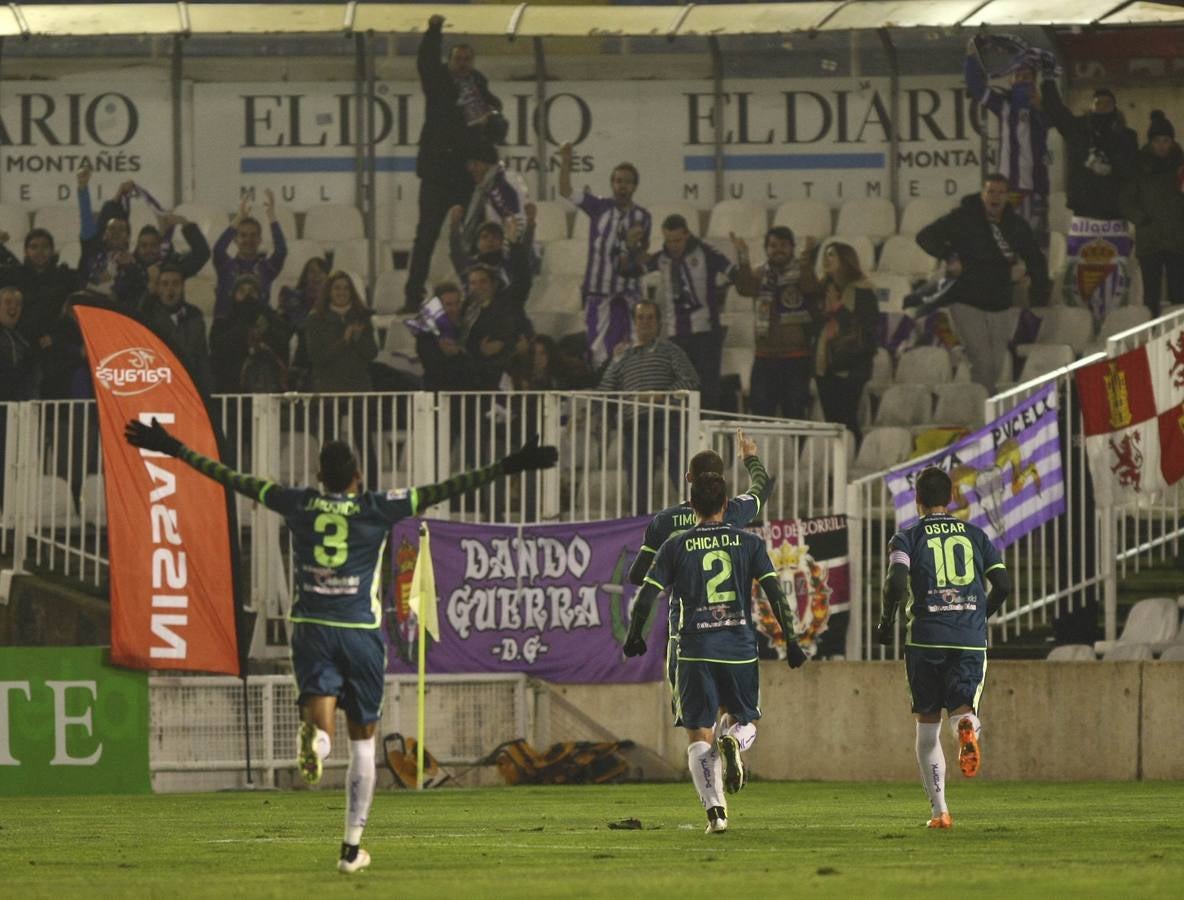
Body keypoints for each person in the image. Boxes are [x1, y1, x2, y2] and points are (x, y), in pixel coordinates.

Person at [123, 418, 557, 873]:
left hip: (312, 626)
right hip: (361, 630)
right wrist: (508, 465)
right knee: (365, 745)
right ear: (358, 476)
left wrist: (173, 445)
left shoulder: (297, 502)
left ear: (318, 476)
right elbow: (447, 487)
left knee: (321, 709)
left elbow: (231, 478)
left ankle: (319, 743)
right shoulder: (379, 506)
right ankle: (351, 850)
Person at [623, 470, 805, 834]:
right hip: (738, 647)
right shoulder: (749, 543)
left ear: (691, 506)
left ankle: (716, 813)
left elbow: (644, 594)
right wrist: (792, 640)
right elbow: (774, 594)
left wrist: (634, 635)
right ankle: (735, 740)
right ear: (725, 504)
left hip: (693, 650)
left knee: (697, 732)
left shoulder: (674, 545)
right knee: (745, 720)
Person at [874, 466, 1010, 829]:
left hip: (925, 639)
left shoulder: (907, 537)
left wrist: (887, 622)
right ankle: (966, 726)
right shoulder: (976, 536)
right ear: (951, 498)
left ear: (917, 499)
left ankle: (940, 811)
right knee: (963, 709)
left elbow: (895, 582)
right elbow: (1003, 585)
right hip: (967, 638)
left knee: (926, 730)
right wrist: (979, 615)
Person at [403, 14, 503, 313]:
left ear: (472, 62)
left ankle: (478, 296)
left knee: (472, 240)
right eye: (458, 58)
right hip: (436, 174)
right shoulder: (438, 82)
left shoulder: (479, 86)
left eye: (467, 59)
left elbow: (495, 127)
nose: (462, 63)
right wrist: (434, 31)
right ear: (450, 60)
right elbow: (425, 61)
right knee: (425, 239)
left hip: (466, 177)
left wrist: (494, 123)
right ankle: (411, 298)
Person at [915, 175, 1050, 393]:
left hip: (1000, 300)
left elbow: (1035, 257)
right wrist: (949, 256)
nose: (995, 197)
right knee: (982, 361)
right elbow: (925, 236)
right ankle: (985, 414)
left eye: (1000, 192)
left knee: (996, 363)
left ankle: (985, 407)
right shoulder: (963, 218)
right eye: (990, 192)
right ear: (982, 194)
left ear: (1007, 197)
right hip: (967, 299)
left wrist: (1037, 289)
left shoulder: (1015, 225)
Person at [598, 299, 699, 511]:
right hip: (633, 425)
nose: (645, 322)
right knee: (637, 480)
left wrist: (661, 397)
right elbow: (605, 390)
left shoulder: (670, 350)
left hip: (666, 420)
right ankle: (641, 527)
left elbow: (690, 379)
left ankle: (697, 515)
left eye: (650, 318)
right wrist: (614, 361)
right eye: (640, 318)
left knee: (680, 472)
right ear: (634, 322)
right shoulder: (623, 355)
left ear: (659, 322)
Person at [626, 215, 734, 410]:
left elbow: (732, 272)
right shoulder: (662, 258)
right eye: (668, 240)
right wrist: (632, 248)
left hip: (706, 332)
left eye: (677, 240)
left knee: (707, 387)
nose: (673, 245)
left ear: (687, 235)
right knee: (681, 389)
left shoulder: (705, 253)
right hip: (677, 334)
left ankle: (705, 432)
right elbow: (632, 270)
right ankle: (685, 434)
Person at [558, 141, 651, 367]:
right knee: (599, 354)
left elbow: (640, 257)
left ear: (635, 186)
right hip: (598, 293)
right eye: (618, 181)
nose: (622, 186)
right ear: (612, 184)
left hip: (628, 296)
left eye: (628, 182)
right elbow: (565, 191)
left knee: (632, 354)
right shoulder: (598, 206)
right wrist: (566, 162)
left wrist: (632, 247)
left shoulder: (642, 216)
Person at [964, 35, 1056, 242]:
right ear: (1010, 80)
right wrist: (971, 55)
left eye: (1027, 76)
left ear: (1035, 80)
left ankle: (1031, 274)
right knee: (1004, 240)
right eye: (1018, 75)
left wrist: (1039, 106)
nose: (1023, 79)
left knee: (1033, 241)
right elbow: (976, 87)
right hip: (1006, 188)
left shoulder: (1044, 109)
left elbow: (1053, 122)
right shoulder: (1003, 105)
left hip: (1035, 190)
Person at [732, 226, 820, 418]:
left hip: (796, 357)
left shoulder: (801, 270)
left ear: (792, 247)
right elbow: (744, 288)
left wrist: (806, 261)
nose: (778, 249)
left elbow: (810, 287)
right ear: (766, 249)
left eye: (783, 245)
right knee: (761, 415)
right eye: (773, 245)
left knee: (795, 415)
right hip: (765, 357)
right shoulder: (760, 273)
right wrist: (743, 257)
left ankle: (796, 449)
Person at [1121, 111, 1184, 316]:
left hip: (1177, 239)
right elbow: (1127, 200)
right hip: (1150, 241)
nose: (1162, 146)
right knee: (1151, 296)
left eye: (1166, 140)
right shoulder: (1138, 167)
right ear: (1150, 143)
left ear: (1173, 142)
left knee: (1179, 294)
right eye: (1157, 141)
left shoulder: (1181, 167)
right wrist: (1142, 219)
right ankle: (1153, 338)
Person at [813, 242, 879, 440]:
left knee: (847, 420)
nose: (826, 259)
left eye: (832, 255)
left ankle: (852, 458)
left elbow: (866, 328)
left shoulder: (863, 291)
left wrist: (838, 309)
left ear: (845, 259)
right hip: (826, 364)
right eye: (825, 255)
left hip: (853, 365)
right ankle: (835, 466)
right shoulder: (823, 289)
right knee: (832, 423)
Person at [0, 227, 78, 374]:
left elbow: (72, 314)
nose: (40, 251)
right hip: (20, 347)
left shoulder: (65, 277)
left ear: (52, 250)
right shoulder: (14, 274)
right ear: (26, 251)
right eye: (34, 247)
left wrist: (55, 337)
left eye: (45, 247)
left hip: (55, 347)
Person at [209, 273, 292, 394]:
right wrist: (242, 327)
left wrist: (267, 331)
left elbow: (283, 343)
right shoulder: (223, 322)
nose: (247, 296)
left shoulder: (271, 318)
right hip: (233, 391)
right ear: (234, 295)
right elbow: (218, 349)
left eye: (252, 291)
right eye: (242, 291)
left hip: (269, 389)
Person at [212, 190, 287, 320]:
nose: (248, 240)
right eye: (243, 235)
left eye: (253, 235)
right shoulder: (225, 265)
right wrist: (239, 217)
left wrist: (271, 215)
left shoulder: (266, 268)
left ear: (260, 240)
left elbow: (281, 251)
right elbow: (218, 250)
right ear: (235, 239)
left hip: (257, 331)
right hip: (226, 332)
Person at [141, 263, 212, 395]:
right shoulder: (148, 316)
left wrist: (206, 393)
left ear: (182, 287)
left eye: (175, 283)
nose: (170, 288)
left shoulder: (194, 314)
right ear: (158, 288)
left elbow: (201, 357)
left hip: (189, 390)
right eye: (165, 284)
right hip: (158, 389)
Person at [76, 170, 145, 305]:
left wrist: (130, 269)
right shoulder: (91, 250)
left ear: (127, 237)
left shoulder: (134, 264)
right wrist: (83, 188)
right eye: (112, 229)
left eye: (121, 230)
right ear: (104, 234)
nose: (116, 233)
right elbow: (87, 219)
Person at [456, 142, 529, 258]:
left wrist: (506, 259)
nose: (472, 169)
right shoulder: (490, 185)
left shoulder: (503, 182)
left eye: (475, 164)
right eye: (470, 164)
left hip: (514, 255)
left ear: (488, 164)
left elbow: (517, 225)